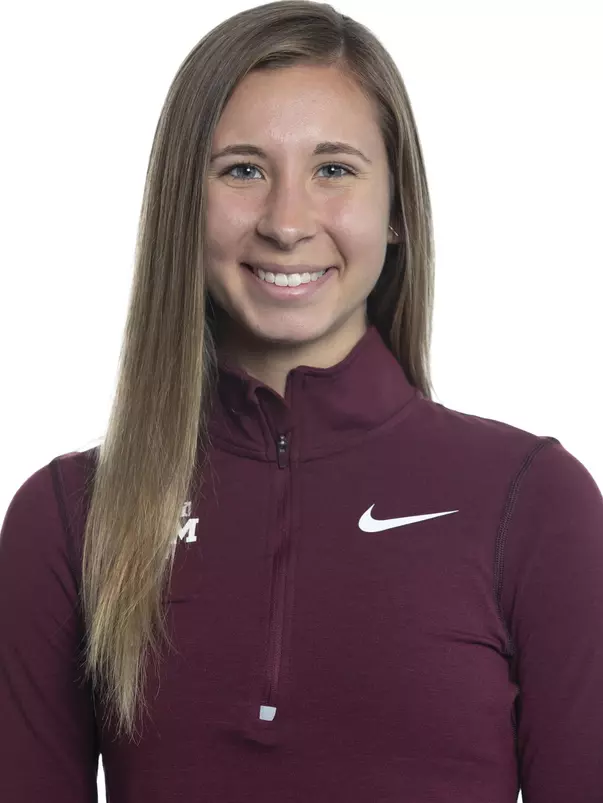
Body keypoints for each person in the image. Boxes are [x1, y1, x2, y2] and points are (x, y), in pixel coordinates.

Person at [1, 2, 602, 801]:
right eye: (242, 169)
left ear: (395, 213)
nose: (287, 223)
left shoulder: (532, 500)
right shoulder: (72, 515)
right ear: (185, 203)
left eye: (333, 169)